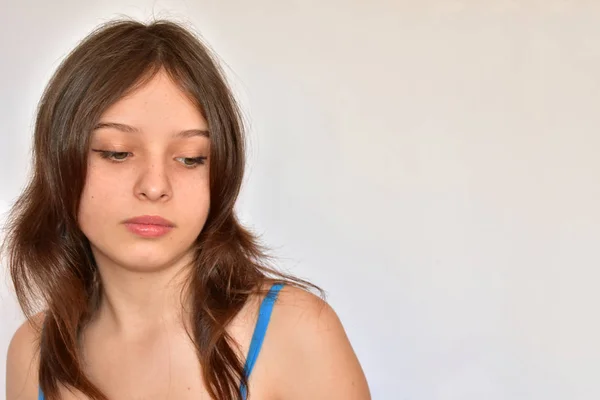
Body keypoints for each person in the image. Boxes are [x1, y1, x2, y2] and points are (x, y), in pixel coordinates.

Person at [3, 18, 370, 400]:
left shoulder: (295, 331)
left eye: (191, 158)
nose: (155, 186)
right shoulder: (32, 352)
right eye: (117, 152)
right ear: (59, 161)